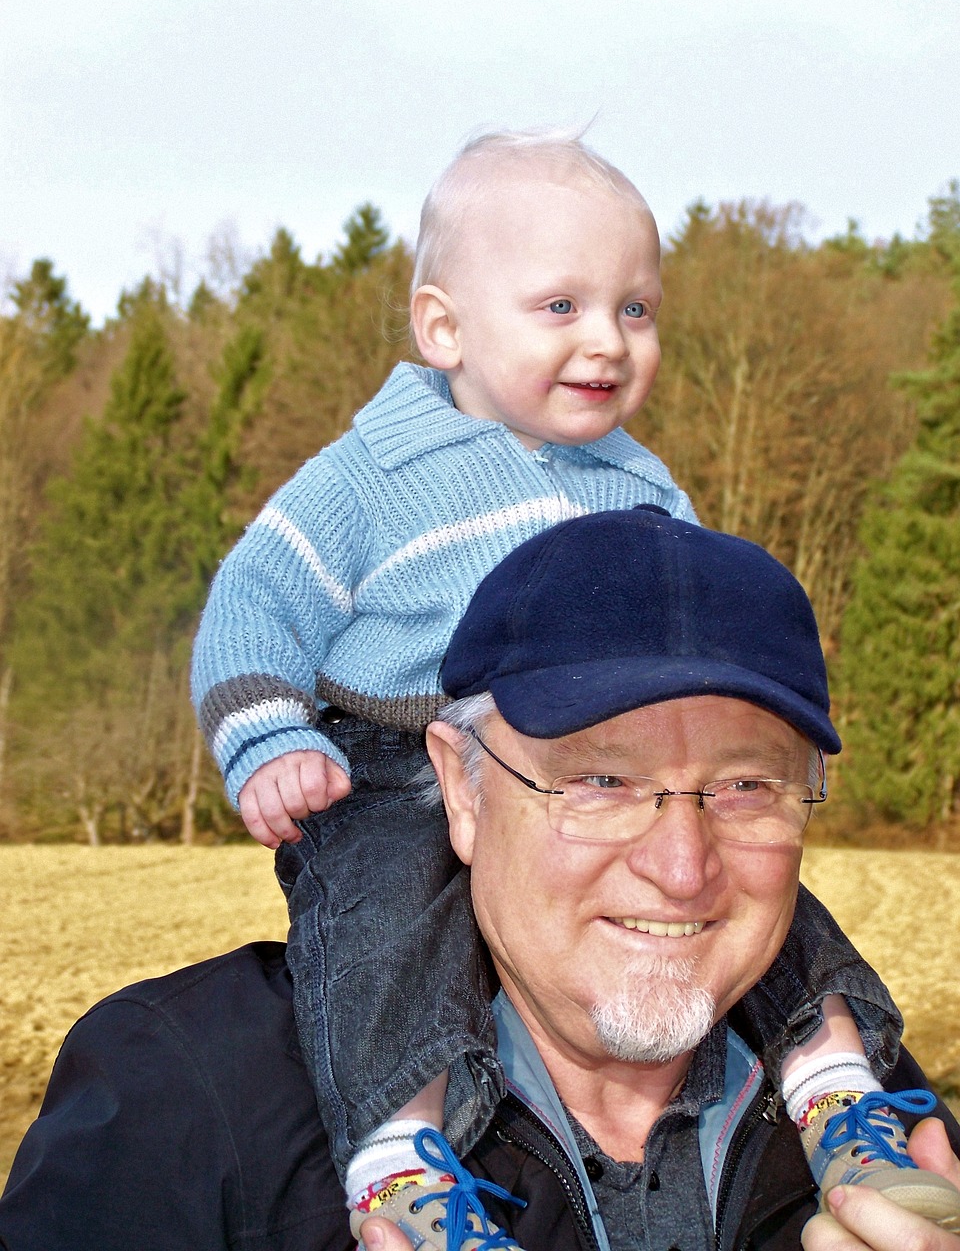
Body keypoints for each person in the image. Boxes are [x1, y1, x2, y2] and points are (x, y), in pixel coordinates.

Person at [189, 130, 945, 1246]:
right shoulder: (373, 471)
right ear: (443, 325)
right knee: (382, 924)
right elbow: (257, 598)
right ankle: (401, 1157)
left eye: (635, 309)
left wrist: (720, 764)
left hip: (520, 746)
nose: (607, 341)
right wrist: (266, 737)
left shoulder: (640, 480)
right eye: (562, 308)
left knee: (754, 887)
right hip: (395, 753)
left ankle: (838, 1083)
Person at [2, 508, 959, 1251]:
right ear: (460, 788)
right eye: (600, 780)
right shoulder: (183, 1101)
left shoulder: (893, 1127)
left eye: (747, 786)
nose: (681, 867)